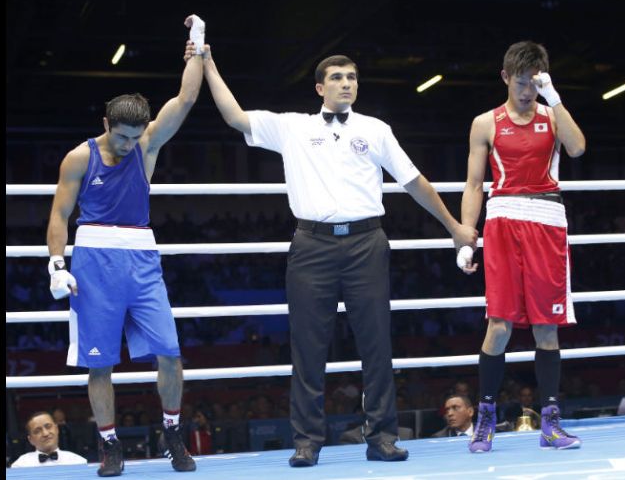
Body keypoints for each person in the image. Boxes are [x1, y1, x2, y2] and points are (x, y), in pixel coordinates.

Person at [193, 43, 477, 466]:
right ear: (319, 88)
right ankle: (307, 441)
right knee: (308, 346)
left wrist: (454, 227)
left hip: (366, 243)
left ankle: (381, 436)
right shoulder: (293, 128)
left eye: (352, 77)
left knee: (376, 343)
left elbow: (414, 181)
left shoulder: (376, 129)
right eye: (338, 78)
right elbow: (235, 116)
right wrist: (208, 63)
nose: (347, 84)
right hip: (312, 245)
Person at [45, 15, 206, 476]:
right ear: (106, 124)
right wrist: (57, 264)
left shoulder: (146, 145)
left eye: (135, 137)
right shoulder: (80, 157)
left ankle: (172, 432)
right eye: (122, 136)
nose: (129, 144)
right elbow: (59, 214)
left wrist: (196, 43)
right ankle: (110, 444)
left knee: (171, 353)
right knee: (100, 364)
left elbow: (187, 97)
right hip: (93, 260)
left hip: (142, 258)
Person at [457, 40, 586, 453]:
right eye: (520, 81)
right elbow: (475, 184)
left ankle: (550, 423)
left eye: (534, 82)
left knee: (547, 326)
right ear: (506, 78)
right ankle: (486, 420)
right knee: (500, 324)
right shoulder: (485, 122)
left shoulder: (552, 114)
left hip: (547, 222)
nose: (527, 89)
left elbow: (578, 147)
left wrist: (556, 98)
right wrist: (466, 236)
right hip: (502, 222)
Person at [11, 412, 88, 468]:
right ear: (30, 440)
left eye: (48, 427)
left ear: (57, 429)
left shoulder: (78, 462)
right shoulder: (20, 465)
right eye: (37, 431)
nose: (45, 433)